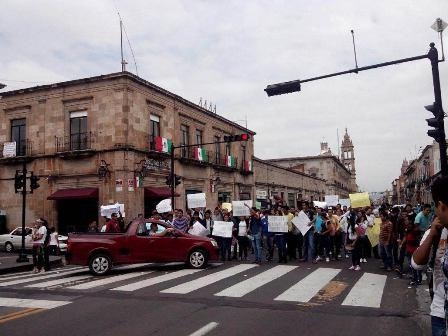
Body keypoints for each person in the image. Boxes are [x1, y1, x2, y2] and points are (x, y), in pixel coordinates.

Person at [412, 176, 448, 336]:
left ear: (440, 206)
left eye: (434, 206)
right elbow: (417, 263)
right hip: (440, 311)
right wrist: (432, 233)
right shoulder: (437, 231)